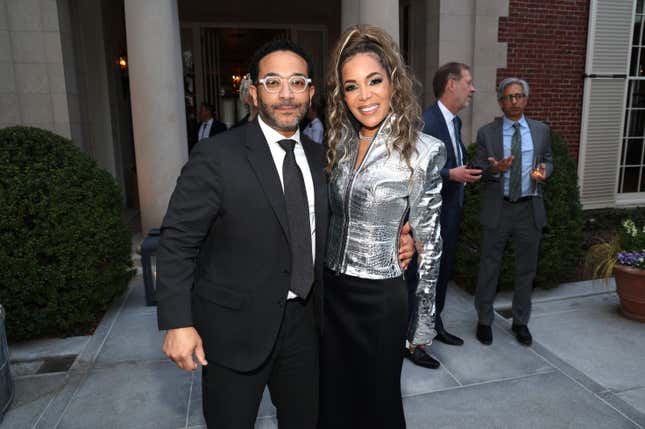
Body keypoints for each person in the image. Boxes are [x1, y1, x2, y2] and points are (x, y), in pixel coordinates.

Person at [156, 38, 413, 429]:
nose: (286, 94)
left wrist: (394, 238)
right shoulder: (216, 156)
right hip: (233, 332)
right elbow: (177, 241)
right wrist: (178, 322)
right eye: (273, 82)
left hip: (305, 327)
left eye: (297, 82)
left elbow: (340, 222)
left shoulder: (322, 158)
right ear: (253, 93)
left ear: (311, 93)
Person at [320, 25, 445, 429]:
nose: (365, 96)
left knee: (379, 405)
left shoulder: (423, 151)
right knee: (334, 400)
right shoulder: (337, 145)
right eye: (351, 87)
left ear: (394, 81)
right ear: (342, 95)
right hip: (331, 292)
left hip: (378, 300)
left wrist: (423, 320)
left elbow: (429, 243)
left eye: (374, 81)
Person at [405, 62, 481, 369]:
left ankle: (434, 326)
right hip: (428, 219)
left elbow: (454, 158)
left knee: (442, 276)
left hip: (450, 214)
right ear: (451, 84)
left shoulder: (456, 123)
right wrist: (452, 173)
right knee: (422, 280)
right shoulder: (426, 122)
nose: (472, 88)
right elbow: (412, 169)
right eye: (468, 82)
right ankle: (413, 344)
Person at [473, 77, 553, 347]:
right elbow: (478, 170)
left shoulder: (541, 130)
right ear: (500, 102)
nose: (514, 101)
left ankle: (520, 322)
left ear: (526, 99)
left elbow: (548, 159)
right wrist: (495, 170)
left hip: (529, 208)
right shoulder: (487, 133)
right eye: (508, 97)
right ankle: (484, 320)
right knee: (489, 266)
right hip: (500, 207)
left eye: (519, 96)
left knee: (526, 269)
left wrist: (544, 171)